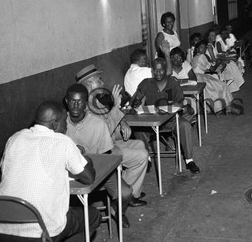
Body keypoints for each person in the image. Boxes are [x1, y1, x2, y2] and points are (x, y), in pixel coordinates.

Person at [0, 101, 100, 242]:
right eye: (65, 121)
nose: (66, 126)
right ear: (55, 123)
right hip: (38, 236)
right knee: (92, 216)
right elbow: (88, 177)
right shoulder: (62, 142)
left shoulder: (15, 138)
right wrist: (86, 160)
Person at [76, 64, 148, 207]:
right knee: (142, 155)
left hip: (109, 144)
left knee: (139, 144)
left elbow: (109, 119)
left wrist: (122, 122)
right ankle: (125, 196)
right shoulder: (86, 108)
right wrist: (115, 107)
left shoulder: (95, 101)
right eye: (99, 80)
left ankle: (127, 190)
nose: (102, 83)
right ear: (90, 84)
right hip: (100, 153)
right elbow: (104, 131)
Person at [65, 84, 133, 228]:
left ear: (86, 104)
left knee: (125, 193)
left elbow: (105, 158)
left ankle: (117, 211)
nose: (76, 105)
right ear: (66, 101)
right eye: (72, 101)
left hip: (95, 170)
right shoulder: (59, 123)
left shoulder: (98, 125)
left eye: (80, 101)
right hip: (66, 172)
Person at [133, 57, 200, 174]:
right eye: (155, 70)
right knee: (139, 129)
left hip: (170, 120)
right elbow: (136, 97)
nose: (158, 73)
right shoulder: (146, 83)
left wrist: (170, 108)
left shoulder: (172, 83)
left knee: (184, 125)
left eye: (161, 70)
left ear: (166, 70)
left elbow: (180, 101)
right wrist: (136, 101)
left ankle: (189, 160)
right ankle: (146, 158)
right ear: (152, 71)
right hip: (152, 121)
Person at [191, 40, 234, 114]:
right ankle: (226, 107)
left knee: (217, 85)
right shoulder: (202, 56)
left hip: (195, 77)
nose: (203, 49)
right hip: (200, 77)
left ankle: (223, 107)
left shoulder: (195, 57)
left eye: (204, 47)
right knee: (221, 85)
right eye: (201, 47)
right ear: (197, 49)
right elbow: (211, 69)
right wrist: (217, 63)